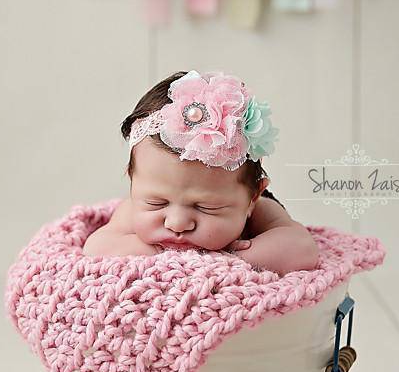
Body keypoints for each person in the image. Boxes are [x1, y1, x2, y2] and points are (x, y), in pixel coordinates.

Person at [82, 70, 319, 275]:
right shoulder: (131, 210)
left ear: (252, 197)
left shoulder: (262, 210)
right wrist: (159, 255)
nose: (177, 223)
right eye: (157, 203)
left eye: (205, 207)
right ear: (133, 183)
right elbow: (97, 247)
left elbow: (302, 249)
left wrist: (227, 261)